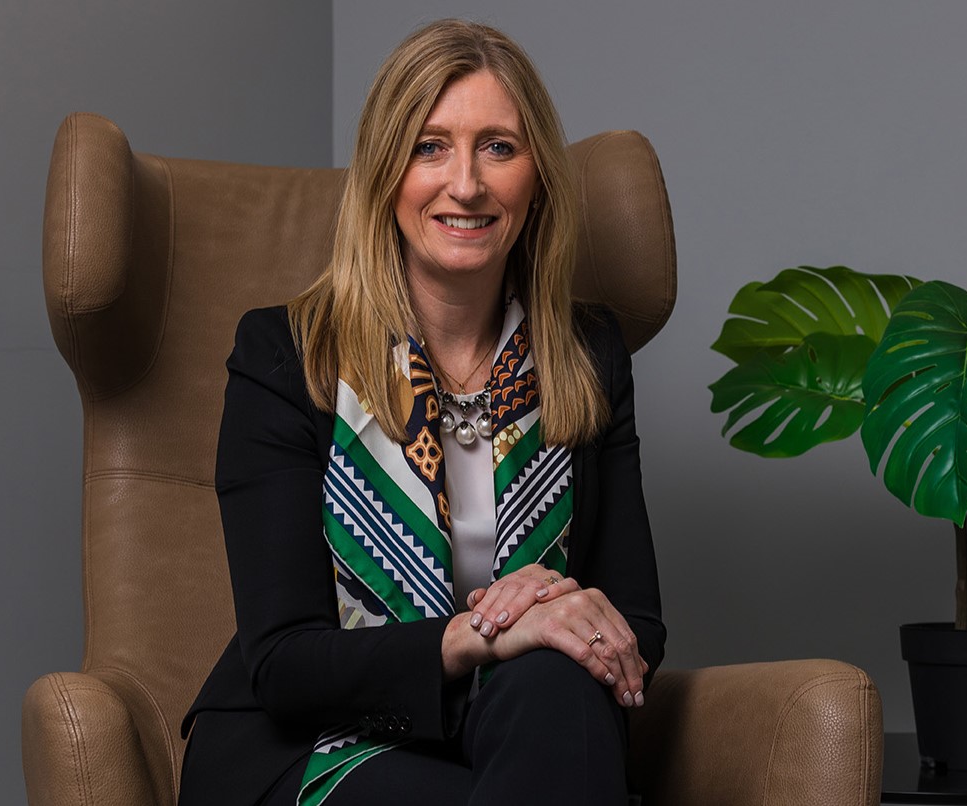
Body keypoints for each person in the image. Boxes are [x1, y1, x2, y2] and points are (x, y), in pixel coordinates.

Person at [178, 18, 664, 806]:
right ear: (382, 174)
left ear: (536, 176)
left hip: (513, 728)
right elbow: (286, 664)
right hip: (308, 743)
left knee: (554, 681)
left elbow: (633, 622)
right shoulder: (285, 354)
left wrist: (562, 607)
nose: (465, 184)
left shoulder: (587, 354)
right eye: (428, 146)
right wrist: (493, 628)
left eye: (498, 147)